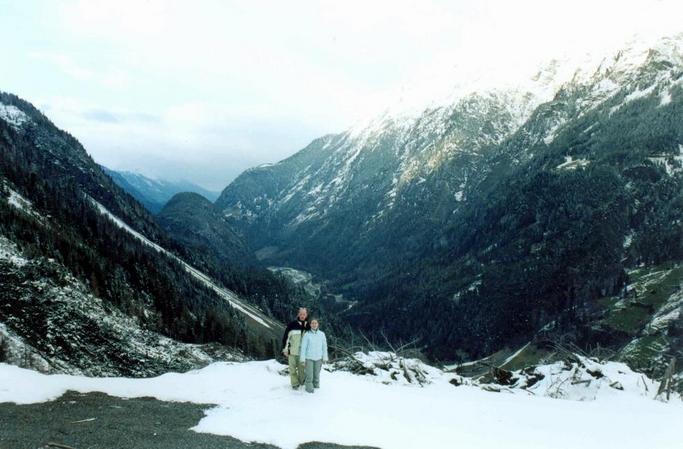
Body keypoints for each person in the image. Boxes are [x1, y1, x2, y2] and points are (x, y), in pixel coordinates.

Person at [282, 307, 309, 389]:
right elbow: (286, 338)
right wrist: (285, 349)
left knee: (302, 370)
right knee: (292, 370)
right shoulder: (292, 325)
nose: (302, 316)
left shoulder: (308, 326)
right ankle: (294, 384)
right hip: (292, 352)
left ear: (306, 315)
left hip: (302, 353)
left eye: (304, 314)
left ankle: (302, 382)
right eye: (301, 314)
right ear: (298, 314)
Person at [299, 318, 328, 393]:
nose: (314, 324)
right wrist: (302, 359)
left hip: (318, 358)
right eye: (312, 323)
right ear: (310, 324)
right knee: (309, 375)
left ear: (318, 324)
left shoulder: (322, 334)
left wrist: (325, 357)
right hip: (309, 358)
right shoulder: (307, 334)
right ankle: (309, 389)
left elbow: (324, 347)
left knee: (316, 374)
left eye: (315, 323)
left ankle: (316, 386)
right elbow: (303, 348)